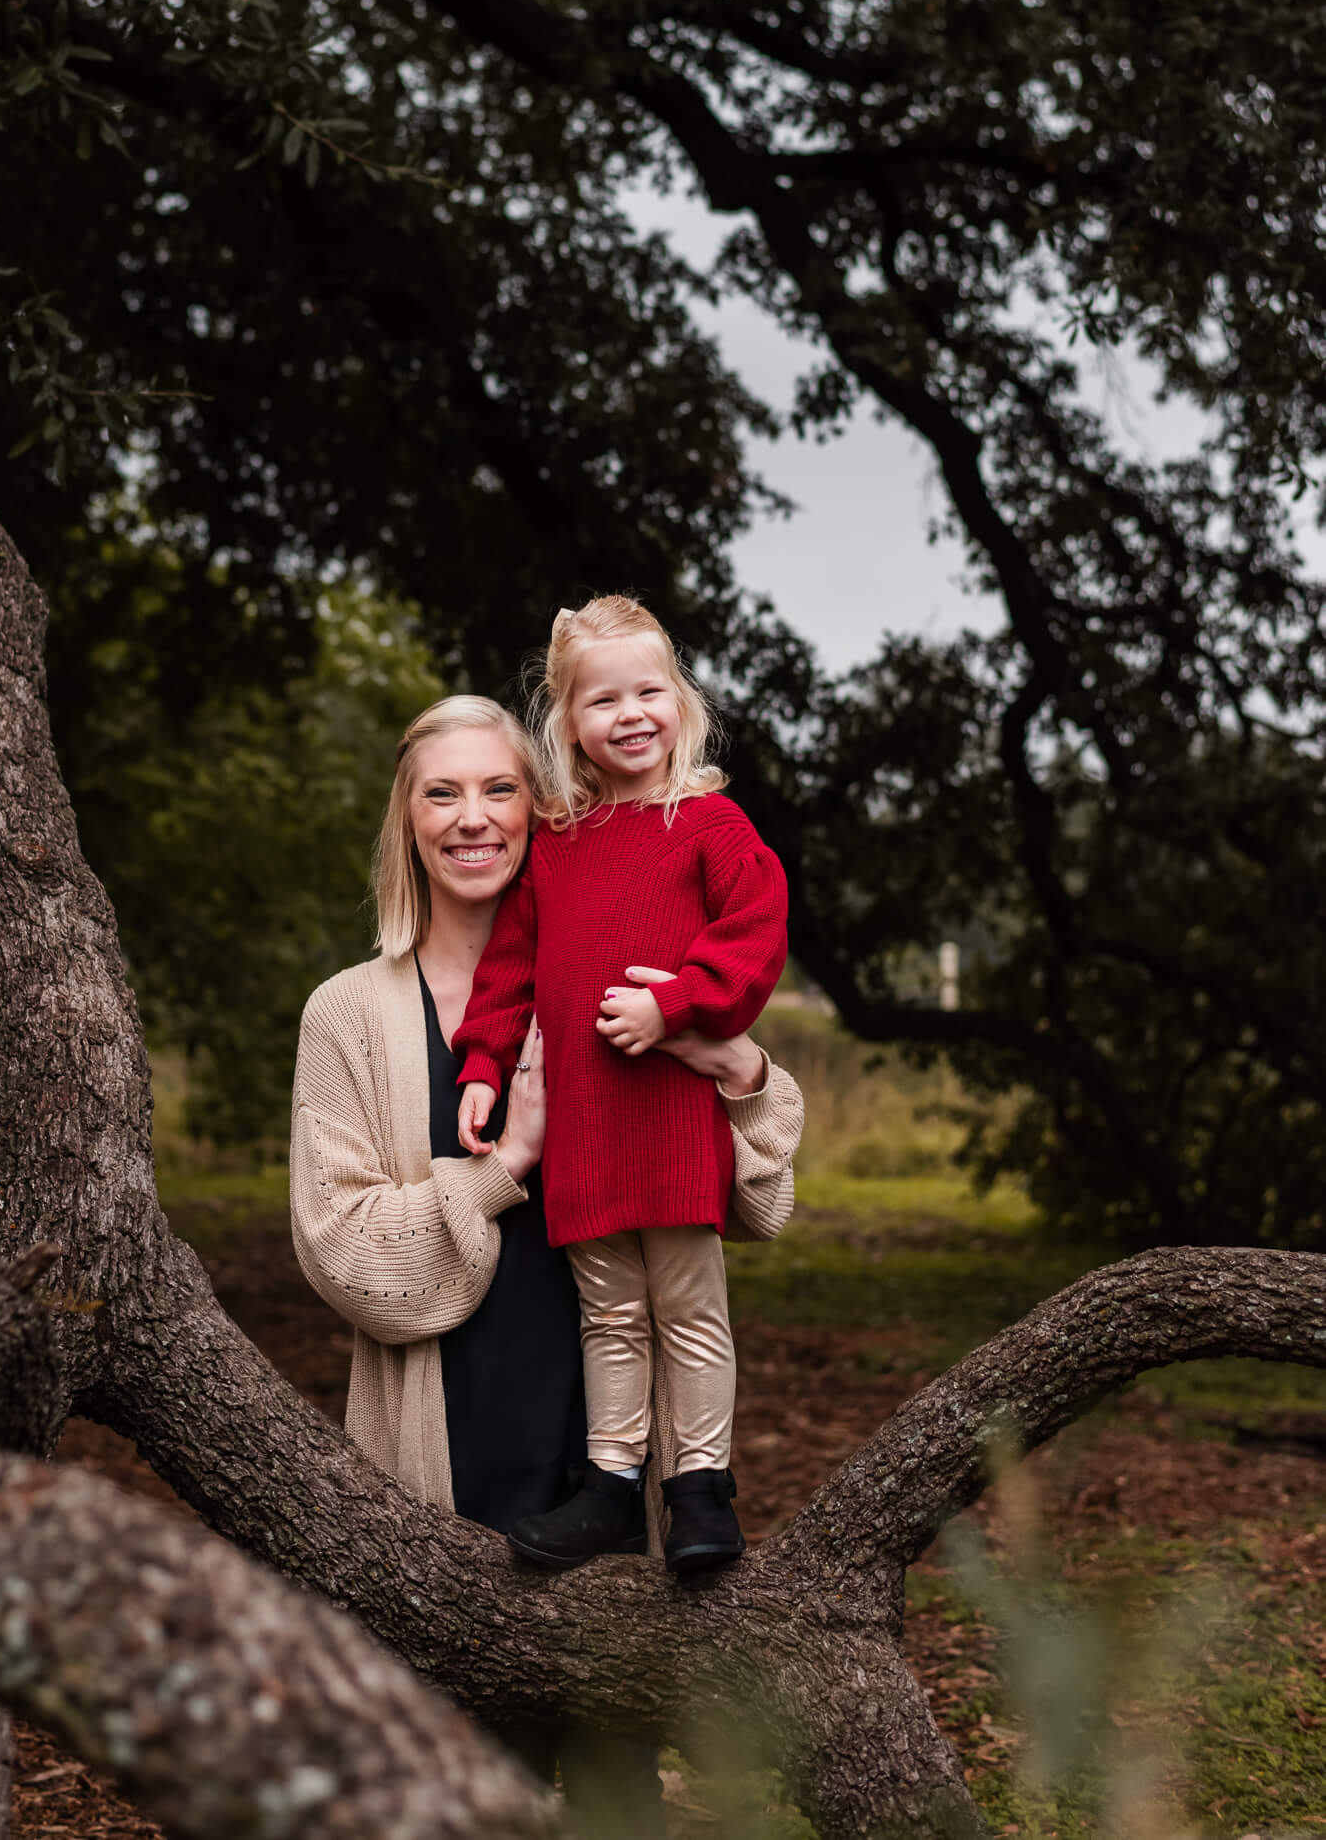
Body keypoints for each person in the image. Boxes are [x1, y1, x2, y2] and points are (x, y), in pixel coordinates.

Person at [289, 692, 802, 1824]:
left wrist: (743, 1069)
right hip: (449, 1466)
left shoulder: (622, 975)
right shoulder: (347, 1015)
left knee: (621, 1791)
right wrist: (503, 1161)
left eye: (499, 788)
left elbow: (761, 1202)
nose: (473, 818)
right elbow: (344, 1257)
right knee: (466, 1788)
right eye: (442, 792)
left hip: (606, 1479)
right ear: (406, 821)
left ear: (545, 807)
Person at [455, 598, 789, 1574]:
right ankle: (610, 1484)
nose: (630, 712)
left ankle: (700, 1492)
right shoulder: (556, 842)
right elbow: (510, 970)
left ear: (680, 703)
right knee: (607, 1307)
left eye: (650, 690)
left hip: (669, 1116)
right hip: (585, 1126)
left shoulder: (710, 823)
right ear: (569, 725)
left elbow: (757, 930)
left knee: (686, 1301)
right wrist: (482, 1065)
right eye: (605, 699)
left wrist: (678, 1003)